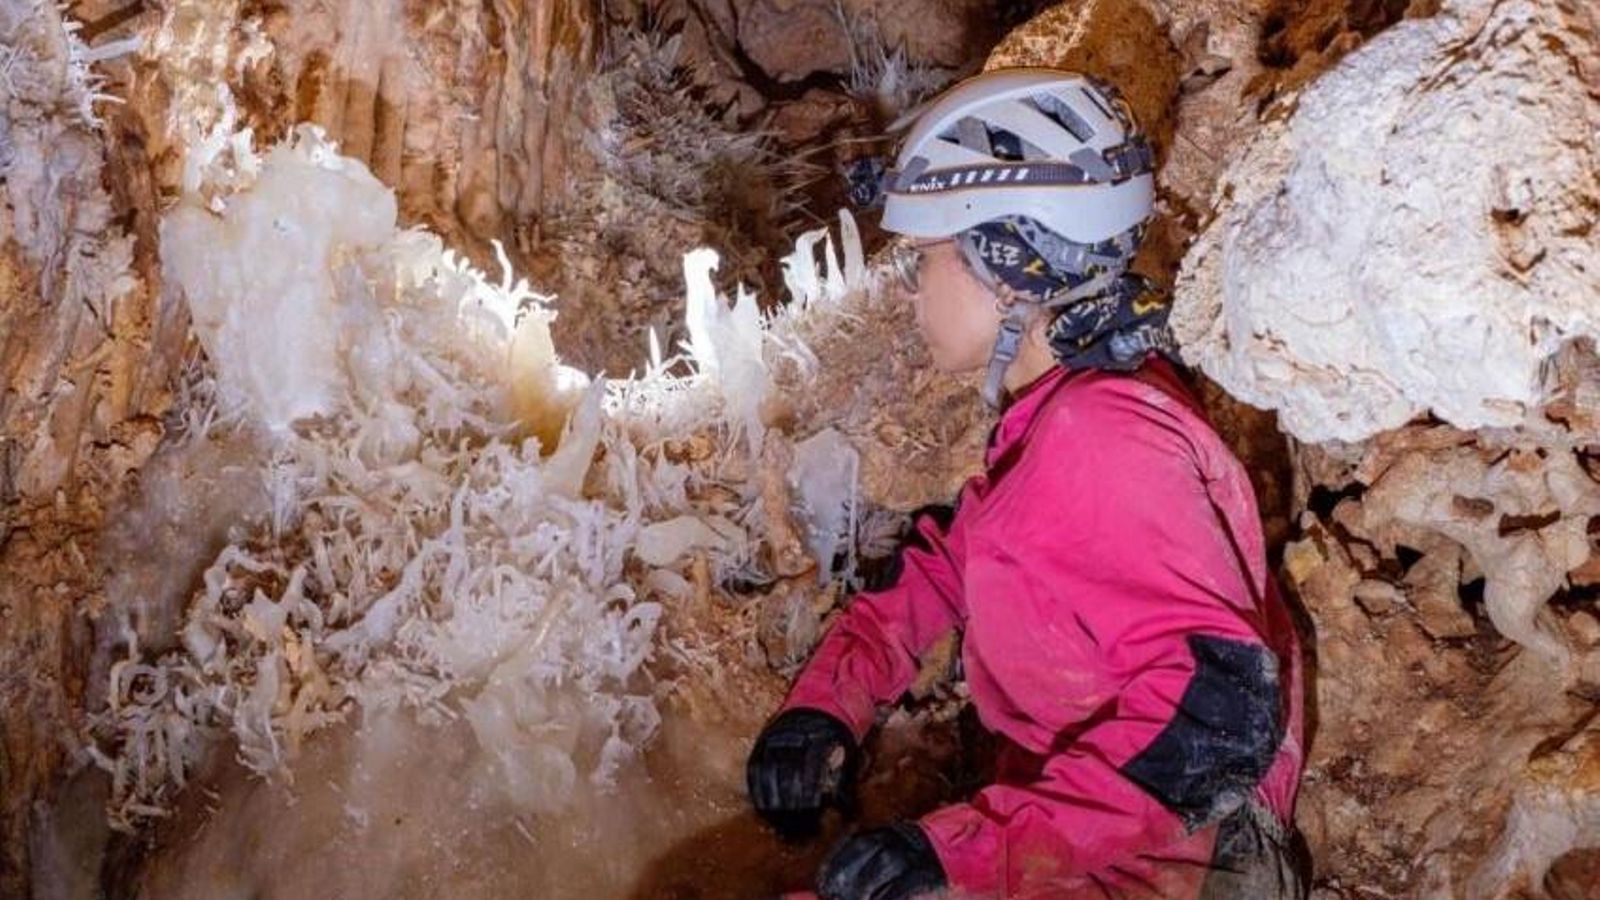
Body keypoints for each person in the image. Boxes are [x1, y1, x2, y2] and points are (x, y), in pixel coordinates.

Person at [746, 69, 1308, 899]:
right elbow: (954, 562)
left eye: (926, 260)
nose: (911, 293)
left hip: (1171, 855)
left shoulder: (1106, 437)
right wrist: (829, 703)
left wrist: (963, 853)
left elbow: (1219, 716)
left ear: (1008, 271)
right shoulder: (1067, 405)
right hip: (1103, 820)